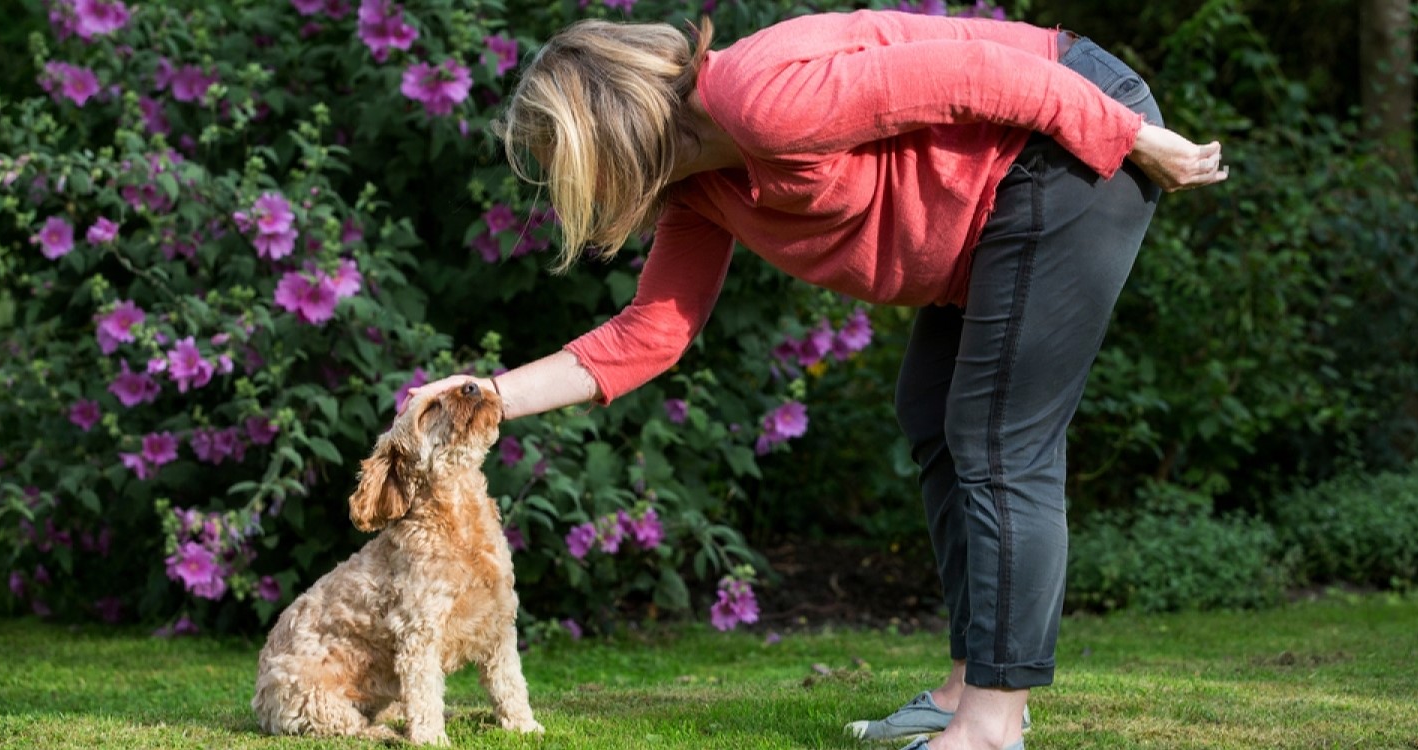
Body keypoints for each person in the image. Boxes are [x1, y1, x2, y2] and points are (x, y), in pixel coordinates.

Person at [410, 10, 1227, 750]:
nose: (578, 190)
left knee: (998, 439)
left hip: (1066, 134)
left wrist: (1126, 134)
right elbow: (650, 333)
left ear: (609, 129)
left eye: (570, 162)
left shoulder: (761, 97)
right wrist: (482, 397)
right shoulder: (701, 189)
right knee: (937, 415)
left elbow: (981, 74)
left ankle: (991, 725)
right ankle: (963, 694)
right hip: (999, 196)